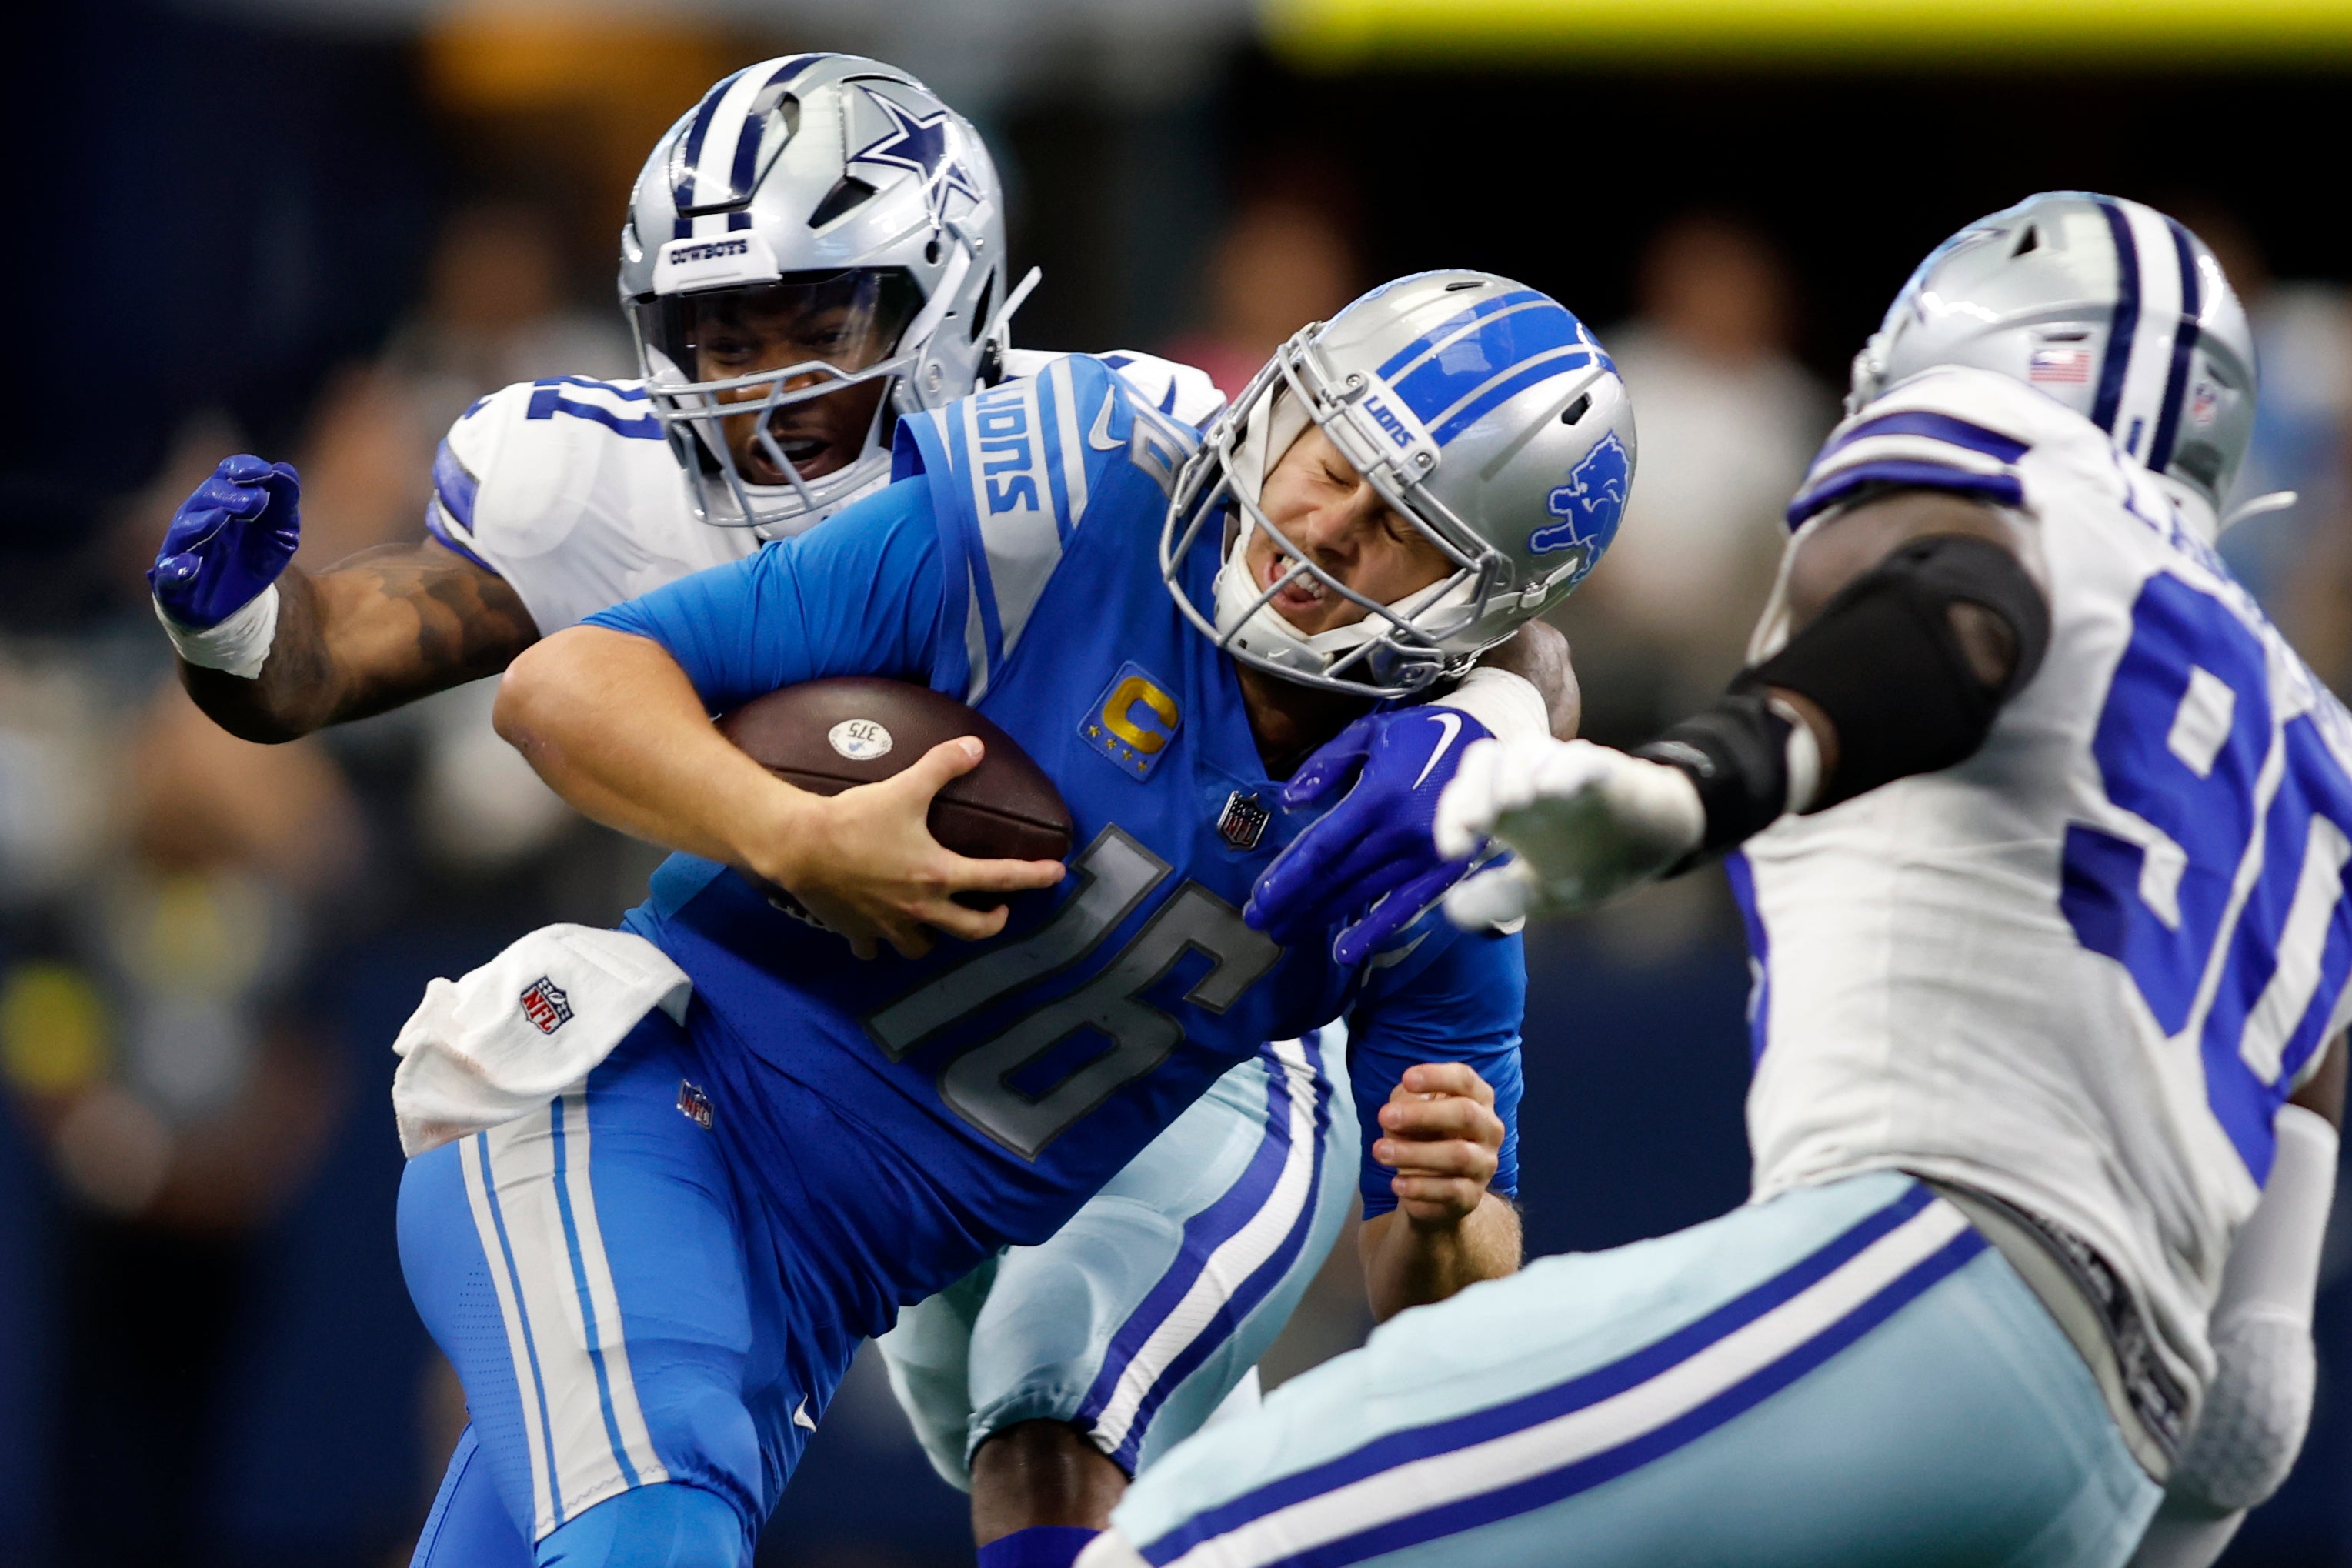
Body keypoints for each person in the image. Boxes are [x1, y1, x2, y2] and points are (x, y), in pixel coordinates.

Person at [144, 56, 1594, 1568]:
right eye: (722, 332)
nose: (765, 378)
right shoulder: (692, 487)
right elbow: (381, 664)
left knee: (1043, 1434)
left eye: (815, 322)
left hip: (1064, 1110)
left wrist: (1491, 728)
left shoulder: (1107, 479)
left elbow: (1454, 587)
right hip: (711, 1073)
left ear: (944, 303)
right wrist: (236, 635)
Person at [1093, 192, 2344, 1568]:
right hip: (2104, 1455)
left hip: (1935, 1285)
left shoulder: (2013, 483)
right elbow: (2253, 1399)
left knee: (1200, 1534)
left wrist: (1700, 778)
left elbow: (1960, 609)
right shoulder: (2312, 743)